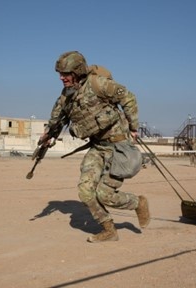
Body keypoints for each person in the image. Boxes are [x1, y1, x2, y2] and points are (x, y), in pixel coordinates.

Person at [40, 51, 150, 243]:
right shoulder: (67, 96)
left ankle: (137, 202)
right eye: (60, 74)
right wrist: (49, 133)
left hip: (119, 148)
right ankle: (109, 230)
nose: (61, 77)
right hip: (98, 147)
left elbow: (128, 98)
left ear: (77, 71)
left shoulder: (98, 85)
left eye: (65, 73)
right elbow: (57, 118)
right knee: (85, 191)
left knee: (105, 195)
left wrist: (133, 127)